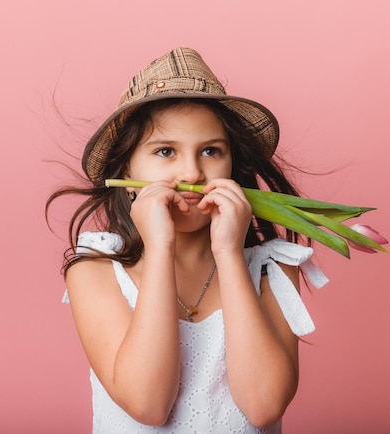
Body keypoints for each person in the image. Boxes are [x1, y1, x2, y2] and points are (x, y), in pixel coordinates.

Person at [47, 47, 328, 433]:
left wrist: (228, 253)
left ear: (232, 164)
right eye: (165, 151)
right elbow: (148, 404)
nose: (192, 171)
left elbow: (264, 406)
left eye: (211, 151)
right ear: (126, 169)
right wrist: (159, 247)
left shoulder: (271, 270)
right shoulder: (95, 271)